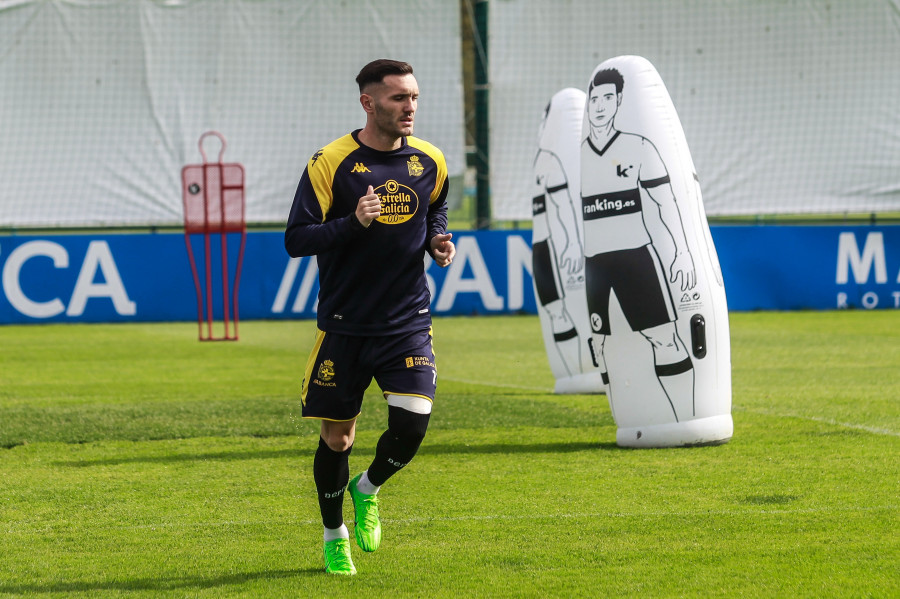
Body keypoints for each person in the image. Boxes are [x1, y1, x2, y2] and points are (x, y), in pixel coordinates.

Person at [284, 59, 455, 576]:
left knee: (413, 427)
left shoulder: (430, 160)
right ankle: (334, 535)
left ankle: (369, 487)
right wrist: (352, 223)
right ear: (368, 102)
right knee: (338, 438)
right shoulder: (330, 162)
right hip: (343, 325)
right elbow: (296, 240)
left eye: (415, 98)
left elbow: (436, 207)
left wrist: (437, 239)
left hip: (407, 321)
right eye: (399, 98)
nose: (410, 108)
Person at [581, 67, 697, 421]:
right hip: (595, 265)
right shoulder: (578, 155)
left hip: (636, 258)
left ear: (618, 103)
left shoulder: (638, 146)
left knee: (664, 339)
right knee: (599, 347)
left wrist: (681, 253)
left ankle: (685, 419)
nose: (599, 105)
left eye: (607, 98)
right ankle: (630, 420)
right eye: (594, 99)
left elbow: (666, 202)